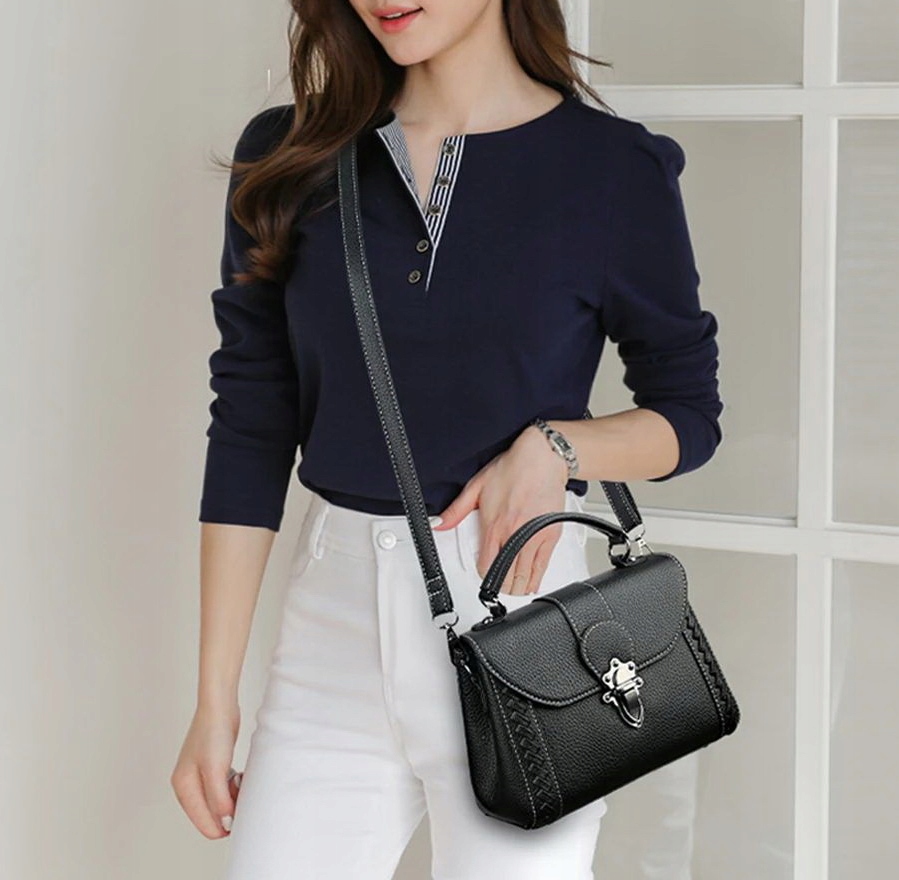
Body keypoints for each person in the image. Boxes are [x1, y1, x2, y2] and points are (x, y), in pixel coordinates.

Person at [170, 1, 724, 877]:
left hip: (529, 623)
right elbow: (250, 421)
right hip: (328, 634)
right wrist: (214, 700)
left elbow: (687, 415)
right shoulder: (291, 154)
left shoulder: (612, 167)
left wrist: (556, 449)